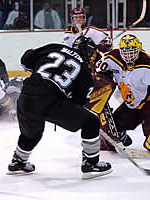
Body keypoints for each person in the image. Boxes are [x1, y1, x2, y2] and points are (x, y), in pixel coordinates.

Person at [7, 36, 112, 180]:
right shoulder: (84, 71)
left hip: (26, 94)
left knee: (31, 134)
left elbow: (26, 59)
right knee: (91, 122)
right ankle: (91, 163)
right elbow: (78, 102)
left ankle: (18, 161)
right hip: (49, 99)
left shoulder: (55, 47)